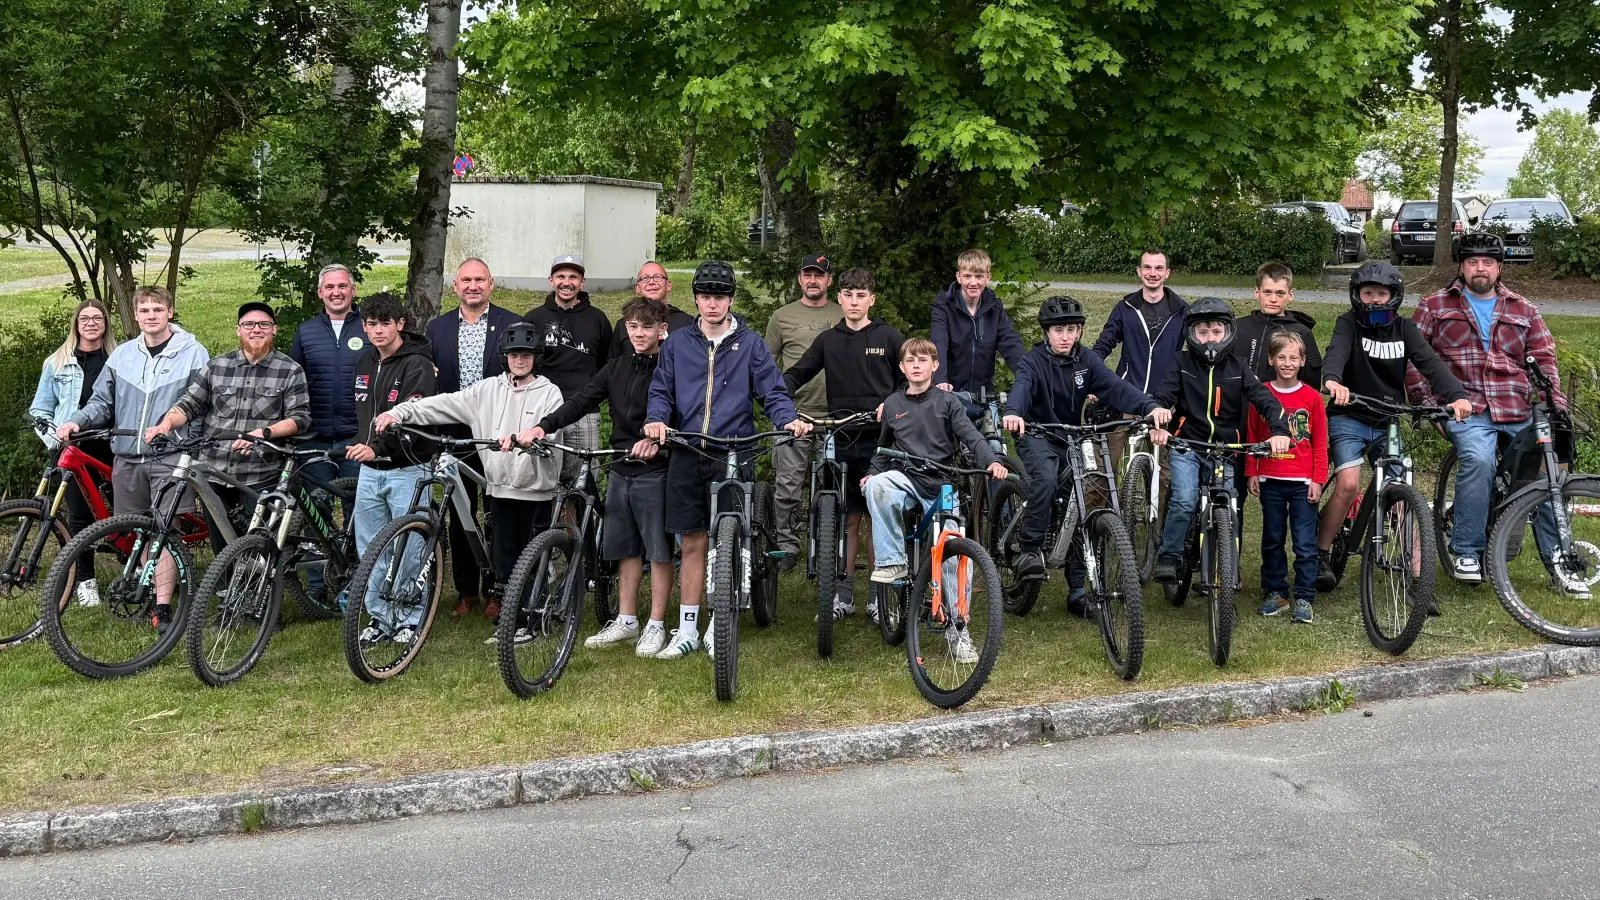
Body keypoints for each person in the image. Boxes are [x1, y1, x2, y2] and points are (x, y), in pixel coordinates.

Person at [643, 260, 811, 660]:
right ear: (696, 299)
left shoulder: (750, 344)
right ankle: (686, 629)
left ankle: (723, 621)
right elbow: (662, 389)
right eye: (705, 296)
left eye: (719, 297)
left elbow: (771, 391)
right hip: (687, 448)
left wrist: (787, 420)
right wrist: (656, 419)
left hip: (734, 449)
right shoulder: (679, 342)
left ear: (730, 300)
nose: (712, 304)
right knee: (692, 541)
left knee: (731, 539)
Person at [1405, 233, 1575, 593]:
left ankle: (1562, 563)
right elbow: (1414, 359)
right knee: (1479, 460)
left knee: (1547, 473)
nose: (1479, 268)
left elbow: (1545, 361)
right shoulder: (1434, 305)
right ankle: (1467, 550)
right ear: (1462, 267)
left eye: (1487, 262)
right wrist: (1431, 407)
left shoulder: (1524, 309)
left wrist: (1555, 407)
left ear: (1498, 267)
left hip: (1517, 408)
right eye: (1472, 262)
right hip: (1465, 408)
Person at [376, 321, 563, 637]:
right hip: (500, 487)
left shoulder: (549, 394)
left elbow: (552, 433)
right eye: (515, 355)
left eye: (527, 355)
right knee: (505, 559)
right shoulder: (487, 390)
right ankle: (513, 620)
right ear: (505, 357)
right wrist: (400, 413)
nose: (520, 360)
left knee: (531, 556)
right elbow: (443, 404)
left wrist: (526, 439)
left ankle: (532, 618)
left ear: (536, 357)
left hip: (535, 490)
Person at [523, 297, 677, 657]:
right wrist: (542, 427)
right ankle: (626, 620)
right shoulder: (615, 367)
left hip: (657, 469)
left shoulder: (672, 368)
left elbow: (683, 415)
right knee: (624, 548)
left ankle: (655, 624)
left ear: (662, 330)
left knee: (657, 550)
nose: (639, 333)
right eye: (633, 326)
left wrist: (658, 440)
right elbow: (581, 401)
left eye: (647, 327)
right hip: (621, 467)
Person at [1001, 296, 1168, 613]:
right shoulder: (1033, 361)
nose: (1065, 336)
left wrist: (1149, 406)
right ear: (1047, 332)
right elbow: (1021, 388)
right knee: (1047, 478)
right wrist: (1013, 411)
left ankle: (1078, 591)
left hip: (1072, 437)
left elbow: (1116, 387)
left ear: (1079, 331)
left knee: (1085, 499)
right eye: (1058, 330)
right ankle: (1029, 548)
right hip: (1037, 433)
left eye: (1071, 330)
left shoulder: (1087, 361)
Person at [58, 286, 210, 633]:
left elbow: (200, 406)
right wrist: (76, 421)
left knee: (163, 531)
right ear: (136, 315)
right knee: (135, 532)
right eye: (144, 310)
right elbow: (102, 403)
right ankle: (149, 587)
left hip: (170, 456)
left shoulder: (193, 353)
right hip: (126, 457)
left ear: (170, 312)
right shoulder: (123, 355)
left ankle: (162, 606)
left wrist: (189, 448)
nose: (151, 315)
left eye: (158, 309)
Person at [1317, 262, 1472, 594]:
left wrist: (1457, 396)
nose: (1374, 300)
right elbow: (1336, 354)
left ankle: (1419, 579)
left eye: (1381, 294)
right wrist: (1332, 381)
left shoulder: (1404, 329)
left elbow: (1430, 363)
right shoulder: (1349, 324)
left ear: (1394, 297)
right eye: (1367, 293)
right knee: (1348, 483)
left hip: (1388, 421)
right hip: (1349, 416)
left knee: (1403, 493)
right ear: (1356, 295)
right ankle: (1321, 551)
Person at [863, 338, 1010, 664]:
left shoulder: (947, 402)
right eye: (910, 361)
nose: (916, 365)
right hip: (907, 479)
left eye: (922, 360)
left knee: (957, 560)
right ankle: (892, 564)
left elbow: (972, 437)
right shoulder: (892, 404)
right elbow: (882, 449)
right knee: (878, 488)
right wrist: (872, 473)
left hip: (943, 484)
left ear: (933, 366)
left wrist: (991, 460)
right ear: (902, 368)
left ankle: (959, 632)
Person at [783, 267, 905, 621]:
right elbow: (798, 372)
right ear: (840, 298)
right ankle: (844, 593)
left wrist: (892, 403)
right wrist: (778, 393)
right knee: (847, 519)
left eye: (861, 295)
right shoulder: (828, 340)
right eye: (848, 295)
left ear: (872, 300)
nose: (854, 302)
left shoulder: (889, 336)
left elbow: (908, 380)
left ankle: (879, 596)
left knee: (880, 519)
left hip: (882, 441)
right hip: (841, 437)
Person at [145, 302, 313, 555]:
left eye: (263, 324)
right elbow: (189, 404)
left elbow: (300, 418)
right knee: (221, 547)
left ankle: (259, 590)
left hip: (260, 474)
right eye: (249, 325)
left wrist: (263, 434)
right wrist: (165, 425)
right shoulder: (217, 366)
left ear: (274, 330)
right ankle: (224, 590)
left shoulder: (290, 370)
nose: (256, 330)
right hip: (215, 471)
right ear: (238, 330)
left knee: (257, 547)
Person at [1148, 297, 1293, 584]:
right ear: (1191, 334)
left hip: (1227, 450)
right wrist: (1159, 419)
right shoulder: (1182, 362)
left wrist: (1280, 431)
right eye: (1202, 333)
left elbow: (1267, 400)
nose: (1210, 339)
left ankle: (1227, 569)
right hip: (1187, 445)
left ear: (1228, 333)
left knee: (1230, 505)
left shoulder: (1239, 367)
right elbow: (1163, 396)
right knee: (1185, 499)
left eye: (1216, 332)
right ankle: (1170, 553)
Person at [427, 257, 524, 617]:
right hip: (454, 435)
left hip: (497, 433)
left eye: (479, 280)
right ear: (456, 286)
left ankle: (498, 589)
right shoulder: (436, 329)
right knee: (459, 512)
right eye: (466, 280)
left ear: (491, 284)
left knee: (498, 511)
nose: (473, 286)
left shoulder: (511, 323)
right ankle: (466, 591)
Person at [343, 292, 438, 646]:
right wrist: (362, 444)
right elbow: (364, 415)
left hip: (408, 469)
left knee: (409, 546)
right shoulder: (363, 362)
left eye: (385, 323)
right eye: (371, 323)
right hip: (370, 470)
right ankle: (380, 618)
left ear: (400, 324)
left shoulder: (418, 365)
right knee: (371, 548)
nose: (378, 330)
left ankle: (409, 619)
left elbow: (412, 418)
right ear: (364, 326)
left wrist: (377, 447)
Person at [290, 263, 370, 609]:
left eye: (342, 286)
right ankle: (317, 583)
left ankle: (359, 581)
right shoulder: (306, 332)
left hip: (356, 436)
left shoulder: (369, 327)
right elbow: (293, 381)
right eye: (329, 287)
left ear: (352, 290)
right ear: (320, 292)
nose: (336, 292)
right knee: (314, 512)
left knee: (359, 510)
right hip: (315, 437)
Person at [29, 299, 117, 607]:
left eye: (97, 318)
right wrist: (56, 439)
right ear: (76, 323)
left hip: (112, 446)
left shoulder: (118, 359)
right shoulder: (57, 362)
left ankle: (135, 573)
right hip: (74, 450)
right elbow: (40, 409)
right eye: (85, 318)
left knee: (126, 512)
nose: (91, 323)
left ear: (106, 323)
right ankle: (86, 581)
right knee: (80, 517)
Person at [1244, 332, 1328, 624]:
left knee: (1304, 543)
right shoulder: (1262, 393)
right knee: (1272, 539)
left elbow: (1319, 442)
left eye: (1294, 357)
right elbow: (1254, 434)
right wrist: (1252, 471)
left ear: (1303, 361)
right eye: (1281, 357)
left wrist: (1318, 479)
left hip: (1303, 482)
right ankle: (1276, 592)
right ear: (1271, 359)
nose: (1287, 363)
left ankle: (1304, 596)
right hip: (1271, 478)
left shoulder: (1313, 398)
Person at [765, 253, 841, 567]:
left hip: (838, 415)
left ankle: (830, 543)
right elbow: (767, 366)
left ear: (828, 280)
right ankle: (787, 545)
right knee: (787, 485)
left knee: (836, 484)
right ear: (800, 279)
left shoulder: (843, 314)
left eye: (819, 275)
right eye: (807, 275)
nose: (813, 280)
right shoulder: (781, 317)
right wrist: (775, 405)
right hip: (794, 414)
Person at [523, 254, 614, 484]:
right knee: (546, 481)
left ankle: (580, 522)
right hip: (544, 411)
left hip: (585, 413)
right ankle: (553, 522)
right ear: (551, 280)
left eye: (573, 277)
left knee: (584, 482)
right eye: (561, 276)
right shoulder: (534, 319)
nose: (567, 282)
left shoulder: (598, 319)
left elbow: (607, 364)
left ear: (582, 283)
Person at [929, 248, 1027, 400]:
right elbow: (938, 342)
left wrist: (1028, 377)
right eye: (967, 276)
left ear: (988, 278)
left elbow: (1011, 344)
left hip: (984, 392)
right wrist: (940, 380)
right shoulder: (943, 306)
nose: (973, 283)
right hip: (950, 392)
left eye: (979, 276)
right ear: (959, 277)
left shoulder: (994, 308)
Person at [1233, 262, 1322, 397]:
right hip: (1238, 406)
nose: (1273, 299)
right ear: (1257, 293)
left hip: (1281, 407)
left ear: (1290, 295)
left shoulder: (1302, 333)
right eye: (1267, 292)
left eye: (1280, 293)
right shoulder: (1237, 328)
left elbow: (1311, 385)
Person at [611, 261, 695, 357]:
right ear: (638, 288)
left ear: (668, 285)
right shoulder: (624, 324)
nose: (651, 282)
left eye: (658, 277)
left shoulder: (687, 323)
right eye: (645, 278)